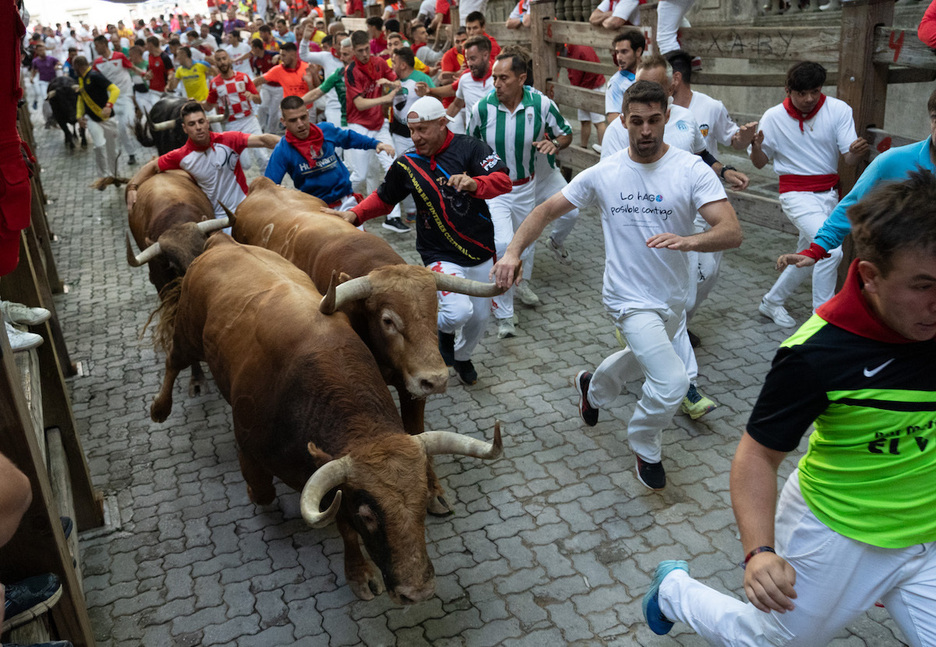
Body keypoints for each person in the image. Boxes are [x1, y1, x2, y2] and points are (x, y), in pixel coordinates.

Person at [644, 170, 936, 646]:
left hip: (927, 539)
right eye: (923, 286)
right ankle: (674, 592)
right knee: (769, 641)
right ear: (869, 277)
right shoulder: (814, 353)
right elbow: (756, 456)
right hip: (840, 534)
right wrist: (758, 552)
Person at [492, 80, 742, 490]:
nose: (646, 130)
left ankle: (593, 387)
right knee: (673, 382)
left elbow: (731, 231)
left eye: (654, 120)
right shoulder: (604, 173)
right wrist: (512, 252)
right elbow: (544, 211)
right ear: (623, 122)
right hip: (628, 299)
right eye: (637, 121)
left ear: (667, 119)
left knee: (642, 357)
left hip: (674, 297)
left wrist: (689, 241)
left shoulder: (690, 169)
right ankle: (645, 444)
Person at [328, 97, 512, 385]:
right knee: (456, 312)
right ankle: (441, 334)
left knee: (478, 319)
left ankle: (463, 357)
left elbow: (504, 180)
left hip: (480, 249)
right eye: (412, 130)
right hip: (438, 252)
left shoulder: (470, 147)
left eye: (422, 130)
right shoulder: (407, 163)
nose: (415, 137)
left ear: (442, 124)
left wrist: (476, 183)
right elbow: (384, 198)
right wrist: (354, 215)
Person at [751, 61, 869, 328]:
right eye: (801, 93)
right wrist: (755, 147)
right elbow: (759, 162)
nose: (809, 99)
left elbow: (849, 159)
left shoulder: (838, 109)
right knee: (831, 251)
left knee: (808, 253)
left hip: (829, 195)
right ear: (787, 90)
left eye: (814, 91)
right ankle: (822, 318)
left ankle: (771, 302)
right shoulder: (772, 117)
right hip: (795, 194)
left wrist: (857, 151)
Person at [468, 50, 573, 339]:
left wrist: (557, 144)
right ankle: (504, 315)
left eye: (503, 78)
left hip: (527, 187)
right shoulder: (482, 109)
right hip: (495, 190)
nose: (496, 84)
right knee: (503, 244)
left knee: (525, 244)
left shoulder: (540, 104)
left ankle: (520, 282)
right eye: (494, 78)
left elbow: (565, 132)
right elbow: (469, 145)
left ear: (521, 78)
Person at [777, 88, 936, 273]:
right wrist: (817, 249)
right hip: (899, 275)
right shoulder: (894, 161)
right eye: (935, 117)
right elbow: (852, 205)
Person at [125, 101, 279, 220]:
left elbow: (264, 140)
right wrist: (133, 187)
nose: (198, 127)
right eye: (192, 124)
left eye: (200, 122)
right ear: (185, 128)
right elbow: (152, 166)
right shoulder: (180, 155)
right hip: (218, 219)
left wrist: (293, 143)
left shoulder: (229, 139)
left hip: (247, 209)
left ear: (207, 122)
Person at [266, 95, 394, 209]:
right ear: (283, 121)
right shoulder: (282, 150)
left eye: (303, 117)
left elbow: (349, 138)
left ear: (308, 113)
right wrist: (276, 191)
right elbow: (268, 185)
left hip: (346, 202)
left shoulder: (326, 130)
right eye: (293, 120)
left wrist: (376, 144)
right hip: (315, 209)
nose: (300, 124)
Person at [343, 29, 409, 234]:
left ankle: (393, 217)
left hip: (379, 126)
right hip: (359, 126)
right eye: (360, 51)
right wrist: (385, 99)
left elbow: (397, 82)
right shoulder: (351, 70)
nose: (364, 54)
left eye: (366, 50)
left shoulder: (380, 63)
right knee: (360, 175)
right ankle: (340, 202)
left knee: (392, 167)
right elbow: (360, 104)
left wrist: (390, 84)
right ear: (353, 50)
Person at [204, 49, 269, 172]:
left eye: (224, 58)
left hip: (249, 121)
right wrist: (195, 104)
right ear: (215, 63)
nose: (222, 62)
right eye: (218, 60)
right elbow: (208, 106)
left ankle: (270, 186)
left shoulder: (243, 78)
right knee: (245, 164)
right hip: (231, 125)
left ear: (229, 59)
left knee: (263, 157)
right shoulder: (214, 84)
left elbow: (259, 100)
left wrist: (253, 96)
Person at [92, 34, 142, 166]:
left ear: (103, 44)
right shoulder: (97, 63)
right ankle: (131, 154)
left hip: (125, 96)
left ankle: (140, 133)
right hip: (111, 100)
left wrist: (143, 74)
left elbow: (132, 67)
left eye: (97, 46)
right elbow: (93, 80)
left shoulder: (119, 57)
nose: (95, 48)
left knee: (128, 122)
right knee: (121, 130)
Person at [74, 56, 122, 189]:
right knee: (99, 146)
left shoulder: (95, 76)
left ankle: (115, 175)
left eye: (74, 67)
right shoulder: (80, 79)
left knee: (113, 149)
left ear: (78, 66)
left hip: (108, 119)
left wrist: (109, 105)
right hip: (92, 119)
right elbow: (81, 99)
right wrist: (79, 115)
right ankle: (103, 176)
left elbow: (115, 89)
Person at [253, 42, 308, 134]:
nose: (281, 58)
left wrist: (310, 80)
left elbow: (317, 89)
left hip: (307, 110)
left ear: (293, 54)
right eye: (280, 55)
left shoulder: (306, 68)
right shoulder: (278, 70)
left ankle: (272, 130)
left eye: (283, 55)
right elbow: (258, 80)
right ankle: (268, 132)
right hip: (290, 111)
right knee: (262, 107)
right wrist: (244, 90)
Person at [564, 43, 606, 149]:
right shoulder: (571, 49)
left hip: (593, 85)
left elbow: (593, 70)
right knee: (584, 120)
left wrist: (581, 88)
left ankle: (605, 149)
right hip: (583, 86)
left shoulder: (579, 49)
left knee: (598, 121)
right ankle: (583, 146)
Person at [300, 25, 343, 124]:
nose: (343, 47)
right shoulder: (326, 57)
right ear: (334, 45)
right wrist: (305, 39)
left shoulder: (355, 60)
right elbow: (304, 55)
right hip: (333, 107)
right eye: (340, 44)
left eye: (346, 43)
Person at [605, 30, 643, 124]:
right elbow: (613, 118)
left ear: (638, 51)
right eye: (617, 52)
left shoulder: (650, 73)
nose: (619, 57)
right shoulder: (615, 82)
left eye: (624, 52)